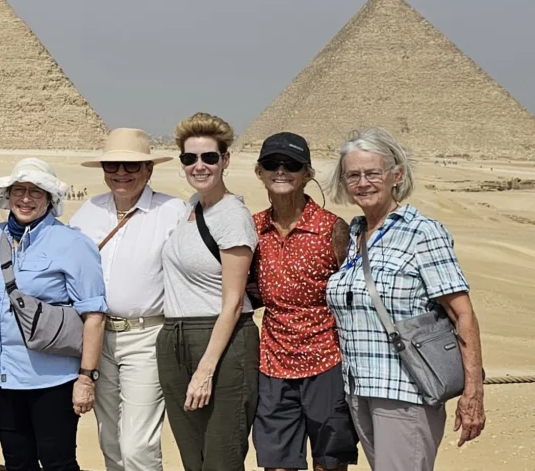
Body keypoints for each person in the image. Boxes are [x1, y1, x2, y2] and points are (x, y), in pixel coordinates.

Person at [325, 128, 486, 471]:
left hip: (406, 391)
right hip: (359, 390)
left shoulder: (422, 232)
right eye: (353, 175)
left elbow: (462, 315)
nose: (362, 182)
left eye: (372, 173)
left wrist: (474, 392)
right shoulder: (353, 234)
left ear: (396, 175)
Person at [67, 128, 186, 471]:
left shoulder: (172, 211)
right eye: (113, 165)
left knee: (138, 446)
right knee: (110, 441)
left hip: (147, 338)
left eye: (131, 166)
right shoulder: (88, 212)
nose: (121, 173)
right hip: (97, 339)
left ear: (149, 170)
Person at [0, 158, 108, 471]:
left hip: (51, 380)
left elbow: (94, 314)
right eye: (18, 190)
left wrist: (86, 379)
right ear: (7, 195)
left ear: (51, 198)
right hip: (0, 374)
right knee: (16, 461)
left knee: (57, 463)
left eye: (36, 191)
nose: (25, 198)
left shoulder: (73, 244)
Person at [157, 113, 260, 471]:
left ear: (225, 160)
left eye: (209, 158)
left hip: (220, 343)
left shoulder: (232, 215)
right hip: (174, 337)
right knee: (193, 459)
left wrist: (205, 369)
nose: (199, 166)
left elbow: (232, 303)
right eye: (190, 158)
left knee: (221, 458)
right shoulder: (190, 208)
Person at [250, 133, 358, 471]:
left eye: (291, 165)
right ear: (259, 172)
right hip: (272, 365)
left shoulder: (332, 230)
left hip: (326, 363)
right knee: (276, 464)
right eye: (272, 164)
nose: (281, 171)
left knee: (329, 463)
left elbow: (353, 298)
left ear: (308, 174)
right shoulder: (252, 229)